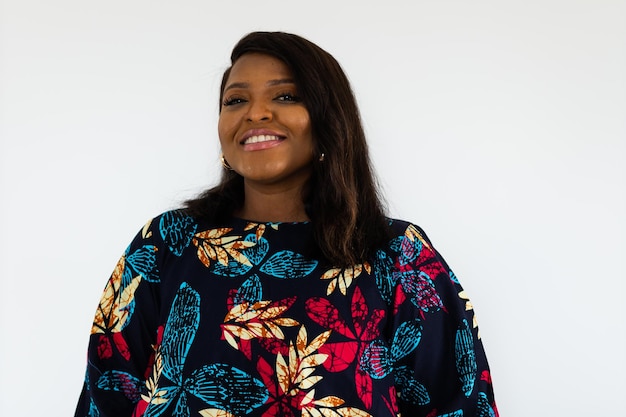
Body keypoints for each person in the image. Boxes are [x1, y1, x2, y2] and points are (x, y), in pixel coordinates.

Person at [75, 31, 498, 417]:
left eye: (285, 97)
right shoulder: (166, 244)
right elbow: (105, 394)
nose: (256, 113)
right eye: (235, 100)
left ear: (328, 121)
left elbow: (458, 402)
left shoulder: (395, 253)